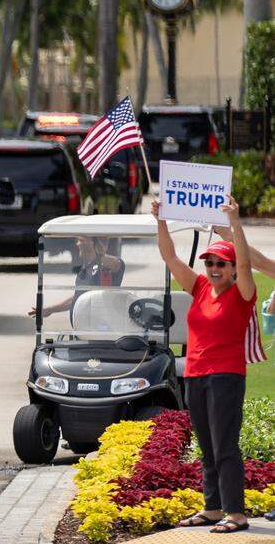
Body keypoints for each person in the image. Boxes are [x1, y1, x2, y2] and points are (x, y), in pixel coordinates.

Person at [157, 196, 256, 534]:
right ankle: (213, 508)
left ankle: (236, 513)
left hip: (226, 376)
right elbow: (170, 257)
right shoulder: (200, 287)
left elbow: (245, 266)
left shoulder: (242, 294)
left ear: (230, 269)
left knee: (225, 444)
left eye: (220, 263)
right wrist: (161, 221)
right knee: (206, 444)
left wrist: (235, 223)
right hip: (195, 375)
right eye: (209, 262)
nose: (214, 268)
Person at [29, 237, 125, 318]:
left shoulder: (111, 264)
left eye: (81, 240)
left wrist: (97, 252)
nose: (77, 244)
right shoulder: (86, 268)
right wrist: (50, 310)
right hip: (82, 326)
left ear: (92, 243)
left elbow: (116, 264)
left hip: (101, 325)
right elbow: (78, 298)